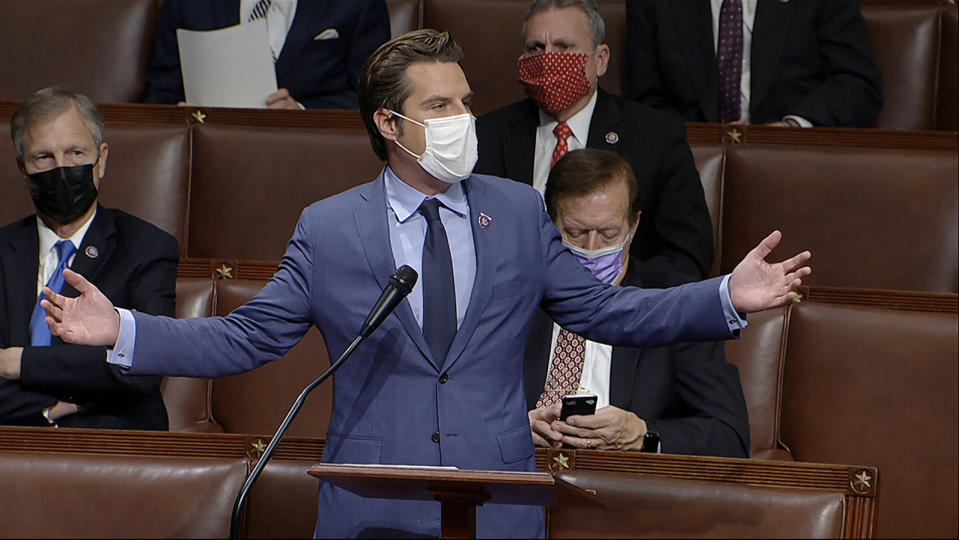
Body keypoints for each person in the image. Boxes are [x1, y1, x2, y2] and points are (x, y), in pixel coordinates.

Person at [41, 30, 810, 538]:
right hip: (374, 504)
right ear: (388, 124)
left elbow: (604, 307)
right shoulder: (331, 226)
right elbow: (249, 335)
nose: (462, 119)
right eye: (439, 106)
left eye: (465, 101)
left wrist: (722, 297)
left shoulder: (513, 209)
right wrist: (125, 331)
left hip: (498, 501)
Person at [525, 149, 749, 457]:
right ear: (550, 226)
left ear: (634, 225)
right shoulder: (515, 295)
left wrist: (644, 434)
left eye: (608, 233)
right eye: (575, 233)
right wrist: (517, 429)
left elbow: (729, 437)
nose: (592, 248)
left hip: (626, 488)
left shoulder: (676, 301)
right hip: (524, 476)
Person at [476, 0, 714, 281]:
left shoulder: (656, 135)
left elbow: (688, 257)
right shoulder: (487, 134)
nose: (547, 59)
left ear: (600, 60)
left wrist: (616, 282)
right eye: (536, 48)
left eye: (564, 47)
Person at [0, 87, 178, 430]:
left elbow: (143, 363)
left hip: (110, 450)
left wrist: (20, 362)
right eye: (44, 158)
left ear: (102, 159)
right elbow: (108, 366)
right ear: (22, 169)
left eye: (75, 152)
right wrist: (50, 411)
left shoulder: (146, 247)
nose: (61, 169)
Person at [626, 0, 883, 127]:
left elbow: (857, 83)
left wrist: (792, 126)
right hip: (689, 158)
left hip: (793, 153)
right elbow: (647, 100)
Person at [144, 0, 391, 109]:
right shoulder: (188, 3)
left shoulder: (357, 3)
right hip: (208, 150)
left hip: (310, 153)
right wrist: (182, 115)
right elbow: (161, 92)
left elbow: (377, 99)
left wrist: (302, 111)